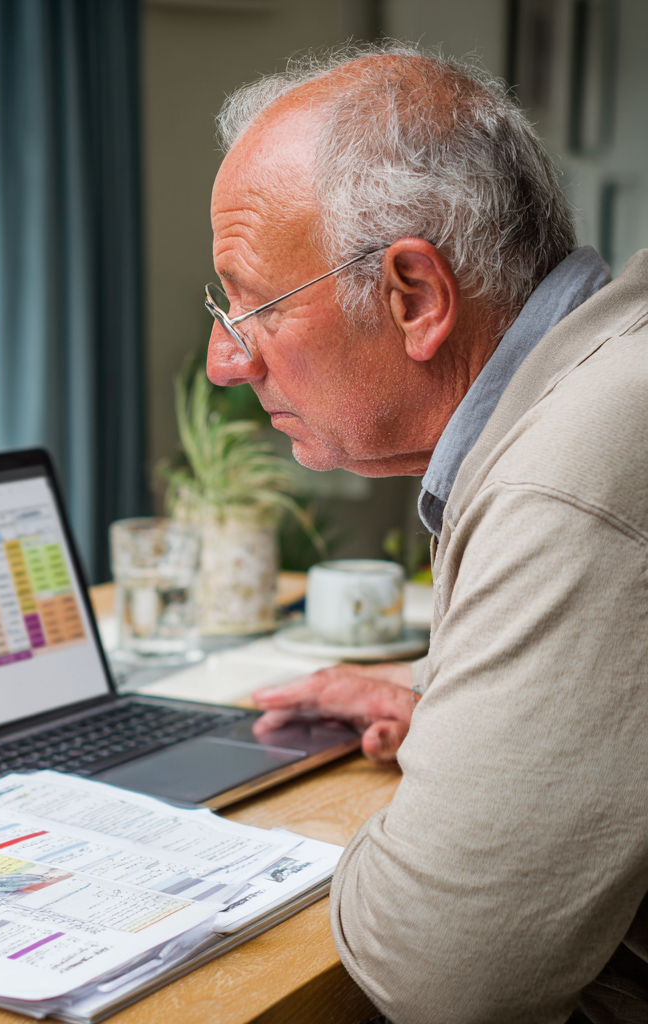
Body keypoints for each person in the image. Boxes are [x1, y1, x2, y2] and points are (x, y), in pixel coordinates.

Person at [204, 43, 648, 1024]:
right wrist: (453, 711)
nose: (223, 362)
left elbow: (446, 977)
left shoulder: (568, 469)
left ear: (415, 296)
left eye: (251, 305)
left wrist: (437, 804)